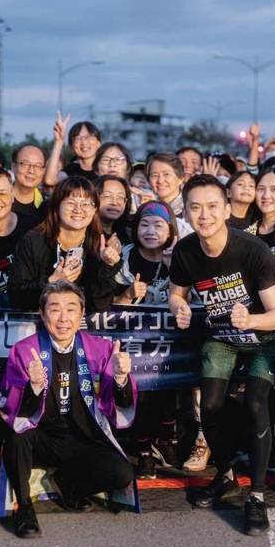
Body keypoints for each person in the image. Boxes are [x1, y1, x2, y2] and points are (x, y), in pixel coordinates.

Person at [169, 174, 275, 536]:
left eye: (212, 207)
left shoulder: (252, 249)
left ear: (226, 210)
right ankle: (224, 475)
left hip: (264, 335)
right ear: (186, 212)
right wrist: (179, 308)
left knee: (255, 402)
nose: (204, 215)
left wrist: (251, 319)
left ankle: (257, 495)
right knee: (210, 405)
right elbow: (177, 294)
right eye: (195, 208)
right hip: (221, 334)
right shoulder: (185, 250)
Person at [0, 281, 136, 537]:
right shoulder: (25, 351)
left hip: (83, 438)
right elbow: (10, 410)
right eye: (54, 309)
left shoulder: (101, 349)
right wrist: (33, 387)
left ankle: (69, 485)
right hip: (41, 439)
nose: (63, 318)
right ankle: (24, 508)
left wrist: (120, 379)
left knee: (122, 473)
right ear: (42, 314)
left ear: (81, 314)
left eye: (71, 309)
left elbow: (117, 406)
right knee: (16, 435)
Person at [113, 202, 179, 476]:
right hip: (133, 341)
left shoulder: (178, 255)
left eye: (158, 225)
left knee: (169, 390)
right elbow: (107, 305)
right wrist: (128, 294)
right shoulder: (124, 257)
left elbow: (191, 297)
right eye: (144, 224)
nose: (150, 231)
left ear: (170, 230)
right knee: (141, 395)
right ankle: (143, 450)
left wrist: (173, 270)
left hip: (170, 341)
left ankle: (165, 439)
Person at [9, 175, 124, 312]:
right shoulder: (33, 241)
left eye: (86, 204)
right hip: (37, 320)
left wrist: (107, 266)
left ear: (95, 210)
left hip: (82, 322)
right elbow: (16, 297)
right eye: (70, 203)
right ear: (56, 206)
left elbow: (100, 306)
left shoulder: (101, 246)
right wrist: (51, 281)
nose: (78, 209)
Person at [10, 144, 48, 220]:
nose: (31, 171)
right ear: (13, 166)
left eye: (38, 166)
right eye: (25, 164)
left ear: (44, 170)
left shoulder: (48, 206)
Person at [96, 174, 133, 242]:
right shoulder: (83, 233)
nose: (115, 203)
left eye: (120, 197)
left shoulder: (130, 233)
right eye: (107, 196)